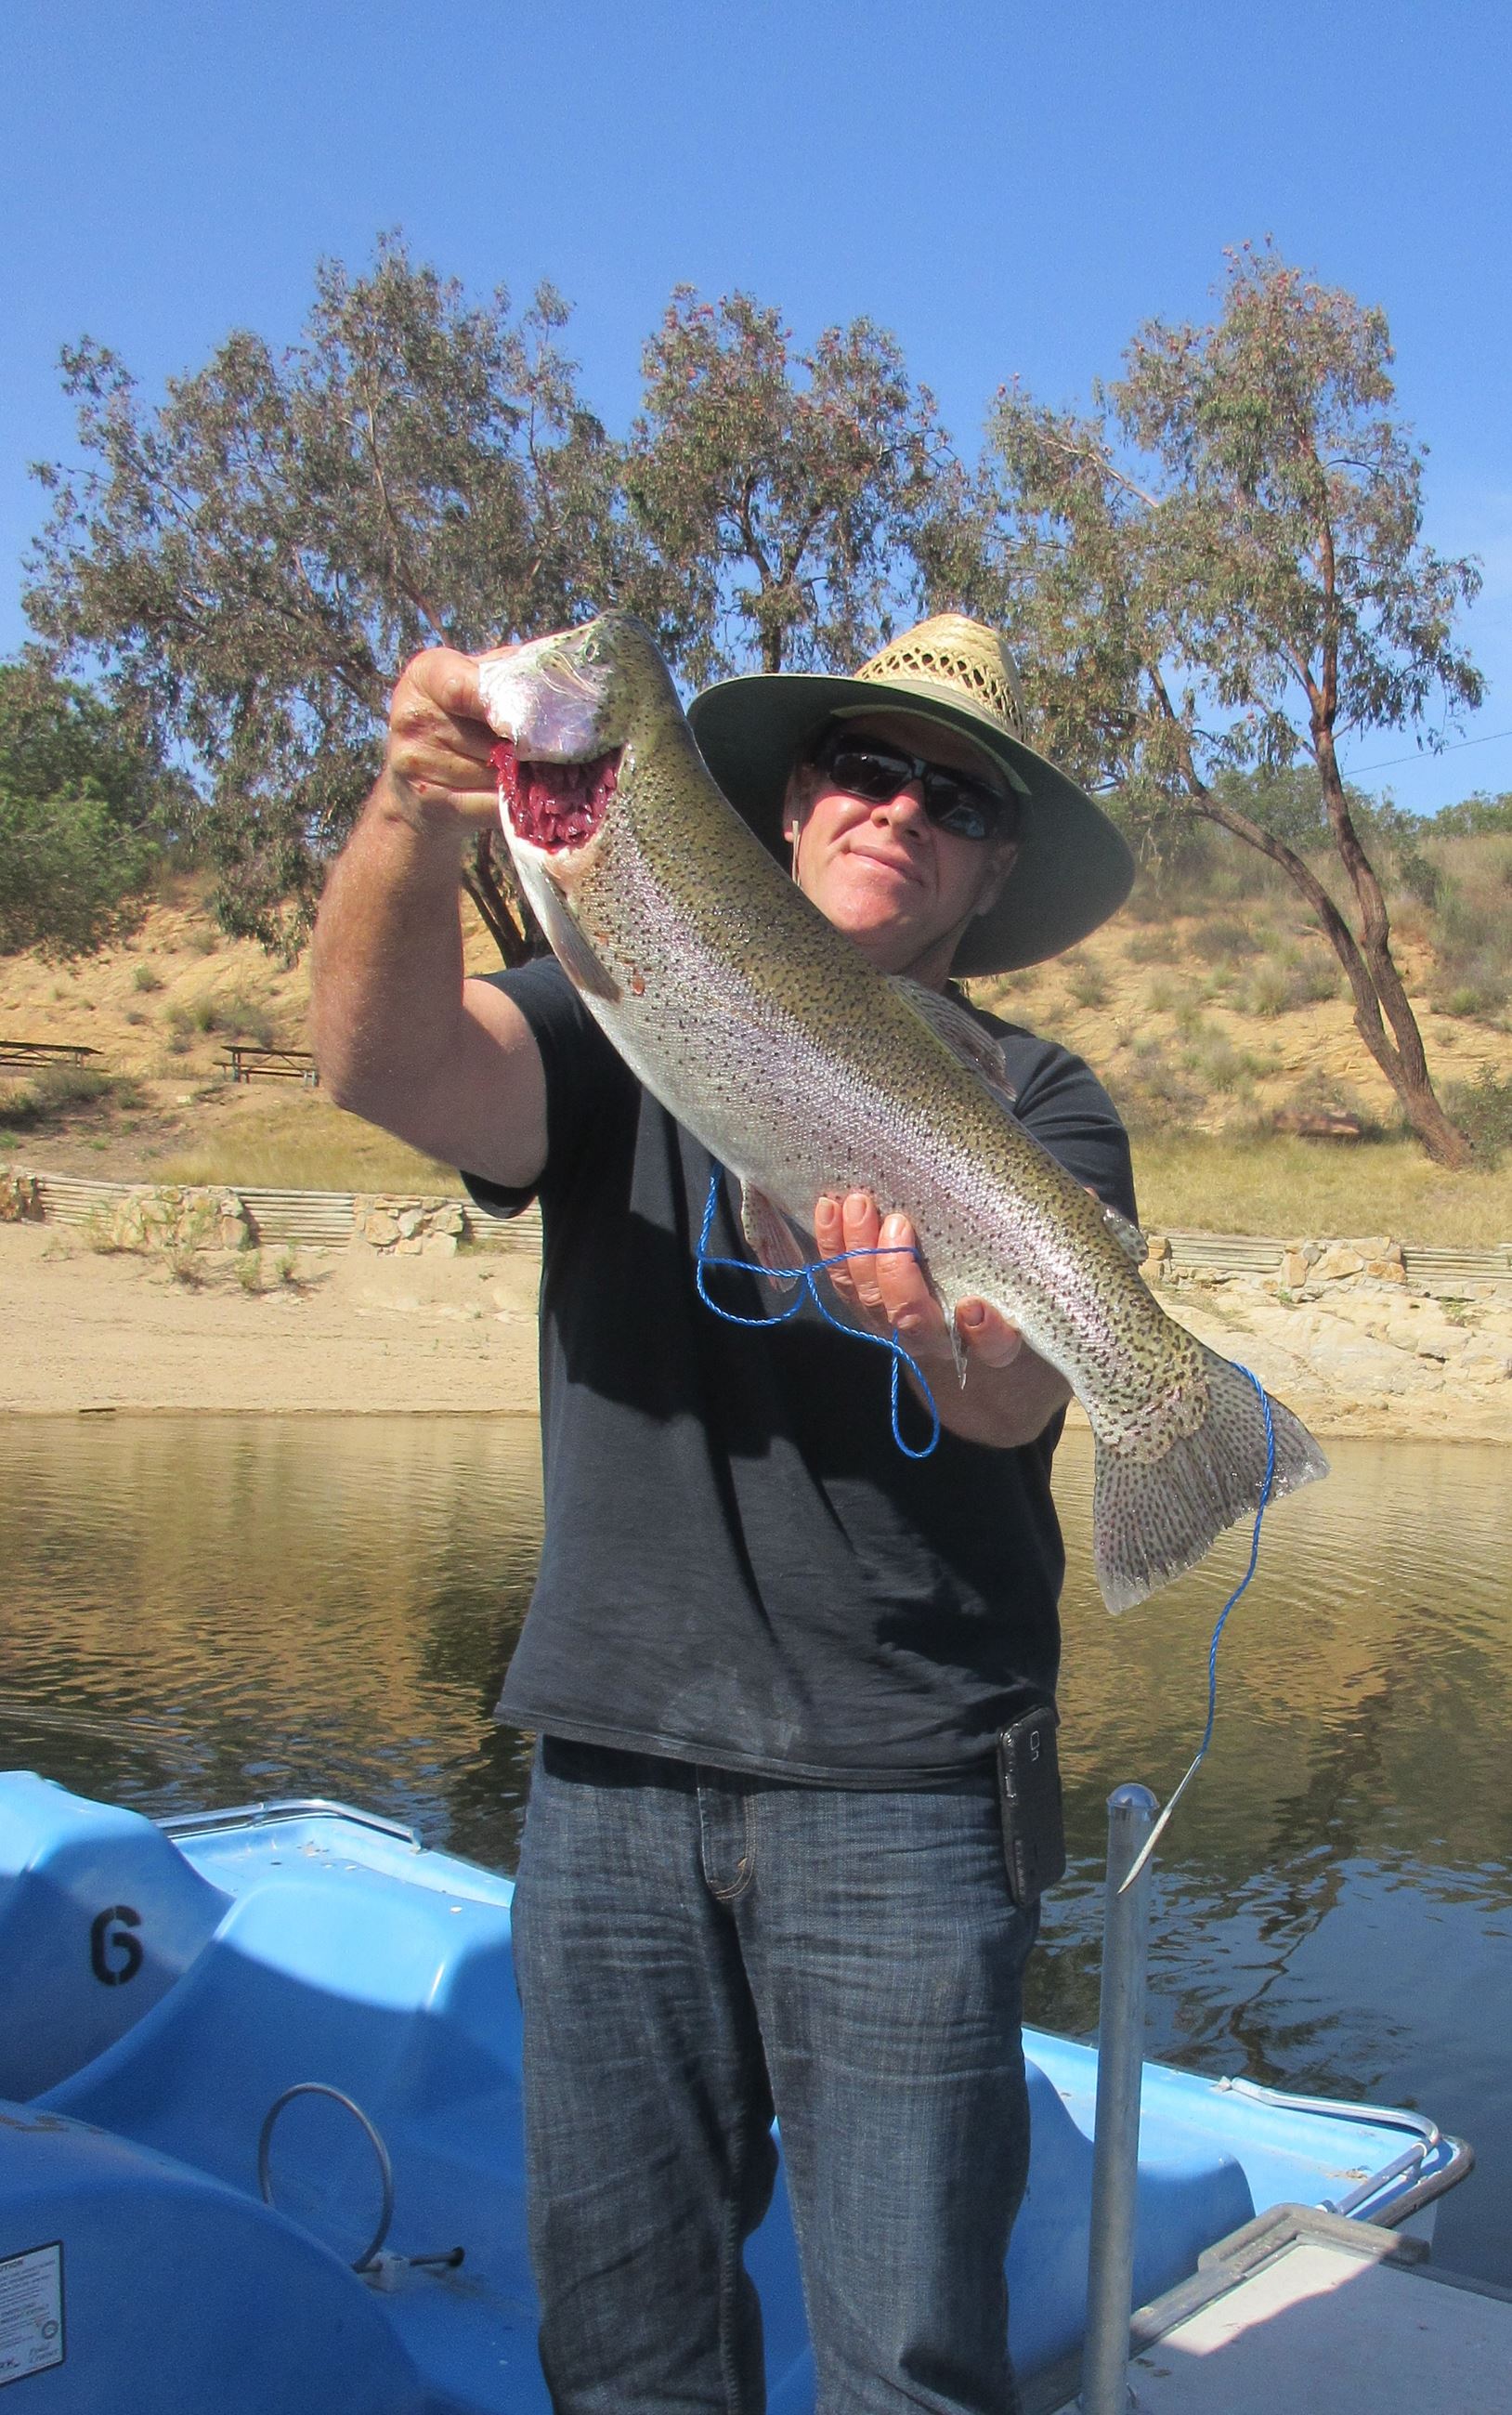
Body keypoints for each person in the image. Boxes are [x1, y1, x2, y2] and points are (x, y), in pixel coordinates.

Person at [310, 612, 1137, 2415]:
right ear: (783, 802)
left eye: (950, 792)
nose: (894, 808)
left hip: (912, 1785)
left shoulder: (1037, 1102)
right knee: (623, 2353)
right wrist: (415, 813)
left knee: (909, 2359)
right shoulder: (614, 1000)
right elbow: (384, 1064)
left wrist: (931, 1331)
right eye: (861, 763)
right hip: (608, 1769)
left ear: (989, 863)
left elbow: (1021, 1397)